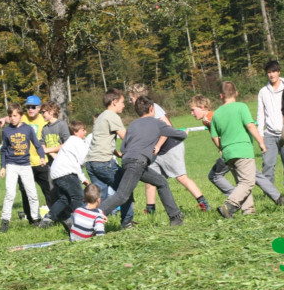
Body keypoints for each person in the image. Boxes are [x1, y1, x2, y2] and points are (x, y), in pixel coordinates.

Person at [98, 95, 186, 227]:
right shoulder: (157, 123)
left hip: (129, 161)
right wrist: (186, 133)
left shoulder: (133, 124)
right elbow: (179, 134)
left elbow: (123, 146)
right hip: (137, 163)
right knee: (122, 195)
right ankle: (89, 216)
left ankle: (175, 218)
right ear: (151, 108)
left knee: (161, 182)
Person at [126, 83, 210, 213]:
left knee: (181, 177)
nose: (129, 102)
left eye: (130, 98)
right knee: (150, 179)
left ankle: (204, 204)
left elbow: (167, 127)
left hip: (171, 146)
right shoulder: (142, 110)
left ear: (137, 97)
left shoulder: (153, 108)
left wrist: (158, 145)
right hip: (156, 151)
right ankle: (150, 210)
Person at [210, 82, 268, 219]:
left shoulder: (216, 113)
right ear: (236, 93)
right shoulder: (241, 107)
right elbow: (250, 125)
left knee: (241, 182)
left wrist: (221, 147)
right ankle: (229, 205)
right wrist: (261, 142)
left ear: (221, 96)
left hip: (228, 153)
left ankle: (248, 211)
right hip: (243, 149)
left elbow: (214, 136)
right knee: (248, 182)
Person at [83, 88, 135, 229]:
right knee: (125, 190)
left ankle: (79, 219)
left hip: (91, 162)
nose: (124, 105)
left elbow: (102, 139)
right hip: (104, 162)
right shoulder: (112, 116)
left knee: (97, 197)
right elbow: (127, 137)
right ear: (114, 102)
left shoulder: (101, 117)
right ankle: (127, 222)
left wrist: (118, 154)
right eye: (122, 102)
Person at [0, 95, 52, 223]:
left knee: (42, 192)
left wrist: (43, 156)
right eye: (28, 107)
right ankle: (17, 219)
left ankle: (45, 217)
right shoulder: (13, 125)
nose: (30, 109)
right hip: (17, 164)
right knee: (17, 193)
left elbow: (38, 143)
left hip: (34, 164)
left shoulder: (37, 123)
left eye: (33, 107)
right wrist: (3, 167)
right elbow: (4, 149)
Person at [38, 120, 89, 229]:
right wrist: (85, 176)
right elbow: (82, 160)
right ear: (76, 131)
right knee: (78, 197)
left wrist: (82, 178)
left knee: (64, 199)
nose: (85, 132)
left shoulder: (69, 142)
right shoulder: (77, 142)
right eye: (83, 130)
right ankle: (75, 221)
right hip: (66, 173)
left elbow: (74, 163)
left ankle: (48, 218)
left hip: (56, 173)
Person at [256, 60, 284, 202]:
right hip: (269, 134)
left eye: (274, 71)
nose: (271, 75)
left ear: (279, 72)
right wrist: (260, 136)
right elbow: (260, 114)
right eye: (269, 72)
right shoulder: (263, 92)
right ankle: (269, 194)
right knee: (268, 165)